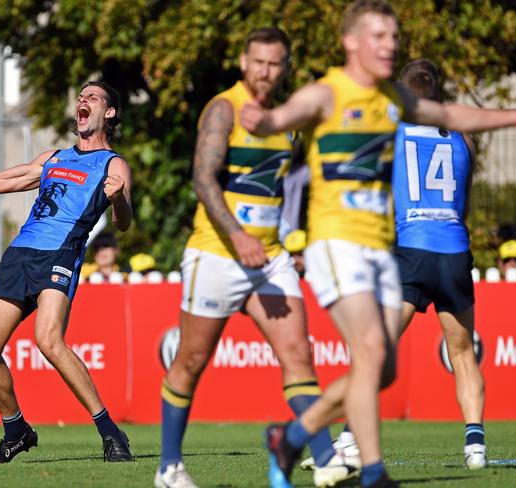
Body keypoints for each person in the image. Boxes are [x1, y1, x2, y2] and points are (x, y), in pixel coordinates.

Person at [239, 1, 516, 486]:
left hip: (392, 250)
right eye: (380, 36)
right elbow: (296, 114)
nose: (389, 44)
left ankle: (295, 438)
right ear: (353, 41)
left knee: (381, 365)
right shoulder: (342, 95)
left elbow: (444, 112)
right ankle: (386, 466)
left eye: (393, 37)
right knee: (398, 354)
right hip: (369, 244)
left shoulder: (391, 111)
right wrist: (267, 124)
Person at [154, 28, 350, 488]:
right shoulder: (224, 109)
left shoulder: (289, 118)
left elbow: (294, 183)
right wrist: (239, 236)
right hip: (216, 253)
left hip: (271, 257)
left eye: (274, 63)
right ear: (244, 62)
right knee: (192, 360)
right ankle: (168, 468)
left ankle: (325, 458)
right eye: (258, 62)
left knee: (298, 353)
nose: (265, 71)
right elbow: (202, 180)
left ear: (285, 67)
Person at [0, 80, 134, 464]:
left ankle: (111, 432)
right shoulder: (54, 158)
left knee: (49, 341)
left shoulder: (112, 163)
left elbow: (123, 223)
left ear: (109, 112)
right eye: (80, 97)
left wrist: (118, 199)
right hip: (19, 256)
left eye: (93, 97)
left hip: (61, 252)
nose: (82, 101)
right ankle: (16, 430)